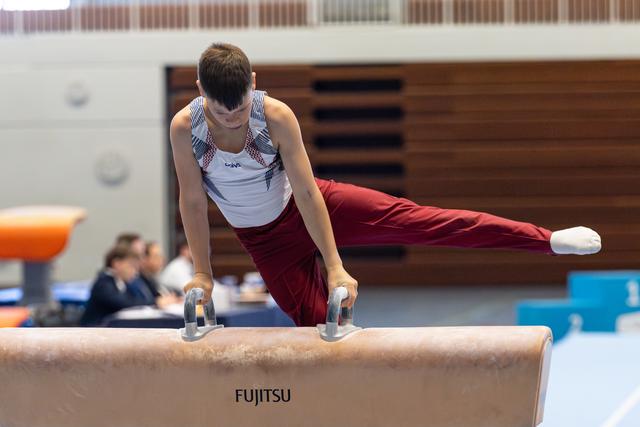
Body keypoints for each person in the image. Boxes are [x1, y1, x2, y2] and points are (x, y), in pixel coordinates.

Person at [169, 43, 602, 327]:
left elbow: (305, 193)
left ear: (254, 85)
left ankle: (547, 241)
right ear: (199, 90)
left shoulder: (276, 116)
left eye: (241, 108)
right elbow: (192, 201)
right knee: (321, 329)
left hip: (317, 205)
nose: (234, 118)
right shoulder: (185, 128)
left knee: (422, 221)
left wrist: (335, 264)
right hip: (264, 241)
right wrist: (203, 273)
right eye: (222, 113)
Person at [79, 245, 148, 326]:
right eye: (131, 266)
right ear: (117, 263)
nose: (135, 272)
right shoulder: (103, 283)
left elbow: (138, 299)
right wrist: (155, 303)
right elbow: (124, 303)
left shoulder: (123, 283)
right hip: (94, 330)